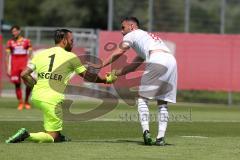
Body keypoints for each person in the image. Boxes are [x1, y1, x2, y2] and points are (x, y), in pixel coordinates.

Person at [5, 29, 117, 143]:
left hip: (37, 97)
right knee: (52, 137)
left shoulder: (42, 54)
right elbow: (88, 76)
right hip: (53, 99)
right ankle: (27, 135)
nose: (73, 43)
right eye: (71, 40)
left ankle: (60, 136)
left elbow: (24, 74)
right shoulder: (70, 57)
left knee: (53, 131)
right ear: (64, 40)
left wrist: (35, 85)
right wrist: (105, 80)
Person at [89, 17, 177, 146]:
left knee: (142, 99)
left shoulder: (133, 34)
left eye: (123, 27)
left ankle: (146, 131)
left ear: (131, 26)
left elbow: (120, 50)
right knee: (162, 102)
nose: (121, 31)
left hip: (157, 58)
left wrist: (102, 64)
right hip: (171, 60)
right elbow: (133, 66)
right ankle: (160, 138)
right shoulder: (145, 38)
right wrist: (115, 73)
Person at [6, 25, 33, 110]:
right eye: (12, 32)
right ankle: (21, 102)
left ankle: (26, 101)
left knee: (28, 84)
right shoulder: (10, 42)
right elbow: (7, 56)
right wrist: (8, 68)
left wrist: (31, 65)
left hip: (24, 65)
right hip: (15, 66)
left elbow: (31, 54)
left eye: (15, 31)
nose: (14, 33)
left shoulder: (27, 41)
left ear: (19, 31)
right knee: (17, 84)